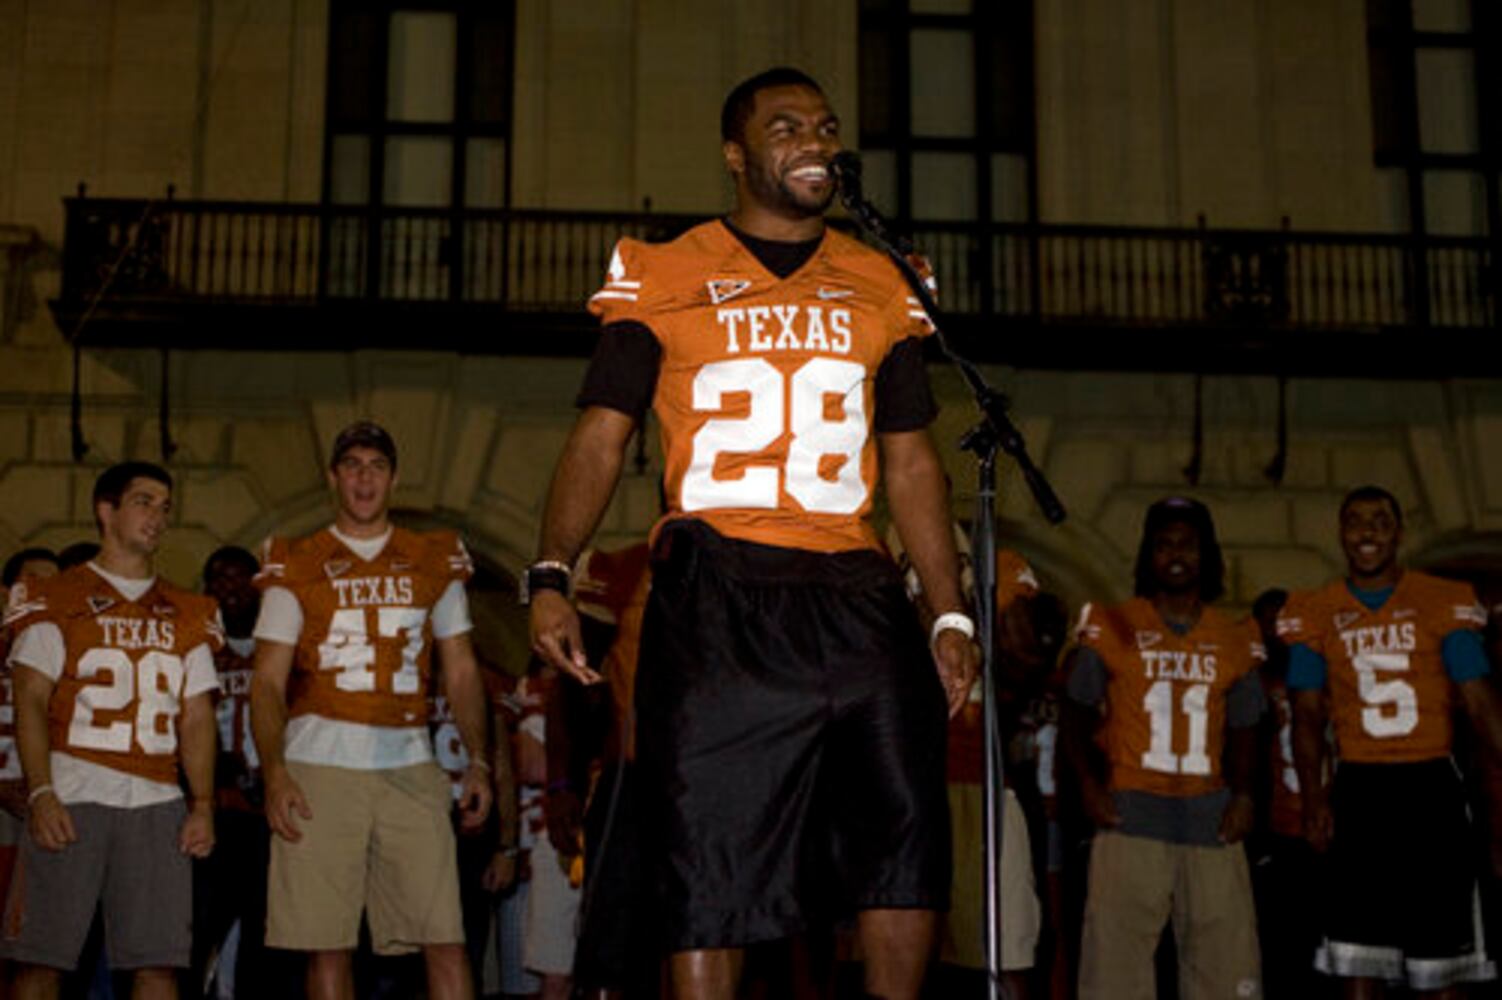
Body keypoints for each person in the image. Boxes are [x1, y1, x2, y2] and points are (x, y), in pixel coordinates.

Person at [527, 67, 978, 1000]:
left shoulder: (882, 281)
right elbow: (602, 436)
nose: (815, 142)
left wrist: (947, 615)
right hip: (718, 586)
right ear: (736, 155)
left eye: (826, 127)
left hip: (854, 586)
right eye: (787, 128)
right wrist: (550, 573)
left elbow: (910, 463)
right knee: (710, 859)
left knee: (905, 837)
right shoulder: (665, 271)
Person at [249, 421, 493, 1000]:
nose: (364, 478)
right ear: (333, 477)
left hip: (410, 760)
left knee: (445, 936)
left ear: (394, 479)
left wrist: (479, 760)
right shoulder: (296, 561)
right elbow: (266, 683)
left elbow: (461, 670)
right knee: (327, 944)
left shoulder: (433, 558)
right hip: (319, 762)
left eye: (377, 466)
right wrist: (275, 771)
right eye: (353, 465)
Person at [0, 463, 222, 1000]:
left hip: (158, 800)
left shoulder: (189, 610)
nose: (157, 516)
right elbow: (29, 698)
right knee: (40, 961)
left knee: (159, 965)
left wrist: (202, 804)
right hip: (74, 790)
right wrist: (42, 790)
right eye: (144, 502)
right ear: (106, 510)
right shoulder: (55, 596)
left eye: (165, 507)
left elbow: (196, 716)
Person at [1283, 485, 1502, 995]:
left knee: (1441, 962)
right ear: (1342, 534)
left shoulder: (1440, 600)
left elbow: (1477, 701)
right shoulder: (1316, 611)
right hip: (1359, 786)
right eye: (1356, 521)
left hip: (1430, 785)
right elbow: (1307, 715)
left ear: (1399, 533)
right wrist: (1313, 799)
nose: (1368, 532)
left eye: (1380, 521)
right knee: (1360, 956)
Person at [1059, 497, 1265, 1000]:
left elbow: (1248, 725)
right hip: (1130, 812)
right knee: (1114, 974)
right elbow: (1074, 709)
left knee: (1225, 972)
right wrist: (1088, 784)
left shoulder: (1234, 636)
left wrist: (1244, 795)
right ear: (1147, 555)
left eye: (1187, 545)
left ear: (1207, 555)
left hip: (1210, 817)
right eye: (1164, 544)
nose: (1176, 555)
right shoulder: (1115, 625)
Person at [1245, 588, 1324, 999]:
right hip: (1274, 831)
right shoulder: (1253, 683)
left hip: (1324, 828)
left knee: (1325, 945)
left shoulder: (1324, 674)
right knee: (1278, 944)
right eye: (1268, 623)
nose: (1277, 632)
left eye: (1282, 621)